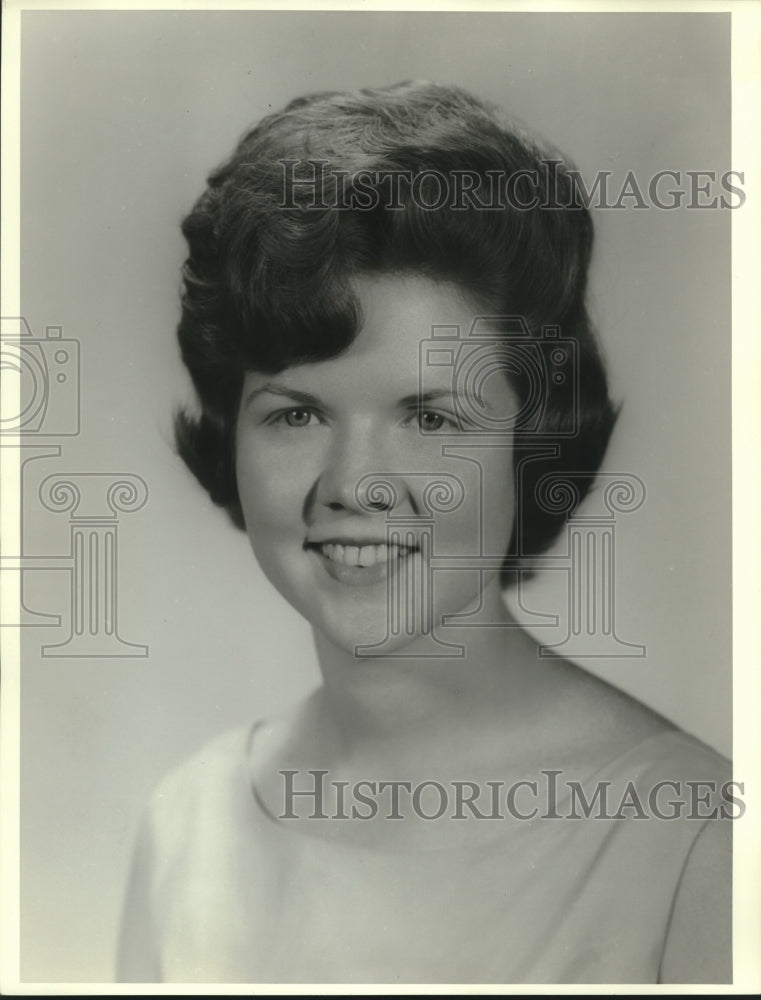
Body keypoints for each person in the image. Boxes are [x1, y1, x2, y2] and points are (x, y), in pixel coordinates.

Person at [117, 81, 732, 984]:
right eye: (295, 416)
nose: (354, 484)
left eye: (430, 419)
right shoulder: (188, 827)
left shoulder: (693, 842)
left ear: (531, 441)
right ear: (228, 434)